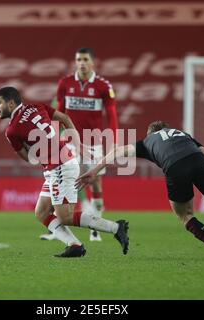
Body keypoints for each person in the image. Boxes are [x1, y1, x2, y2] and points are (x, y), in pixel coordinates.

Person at [77, 121, 204, 264]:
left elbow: (117, 152)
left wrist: (94, 171)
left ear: (151, 132)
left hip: (175, 167)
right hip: (199, 161)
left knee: (185, 216)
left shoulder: (146, 142)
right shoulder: (181, 133)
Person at [0, 86, 129, 258]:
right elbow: (64, 117)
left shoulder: (12, 130)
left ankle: (116, 227)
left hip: (59, 167)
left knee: (64, 216)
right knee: (42, 212)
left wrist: (38, 152)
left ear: (11, 103)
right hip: (62, 162)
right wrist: (77, 143)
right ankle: (74, 245)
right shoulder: (37, 106)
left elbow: (28, 158)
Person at [41, 47, 119, 242]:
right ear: (75, 62)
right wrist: (52, 136)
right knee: (63, 180)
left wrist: (114, 143)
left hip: (94, 143)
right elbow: (58, 112)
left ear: (92, 62)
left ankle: (96, 228)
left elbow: (112, 116)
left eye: (85, 59)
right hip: (69, 143)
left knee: (95, 182)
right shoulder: (65, 83)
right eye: (78, 59)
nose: (82, 63)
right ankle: (57, 229)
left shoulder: (103, 86)